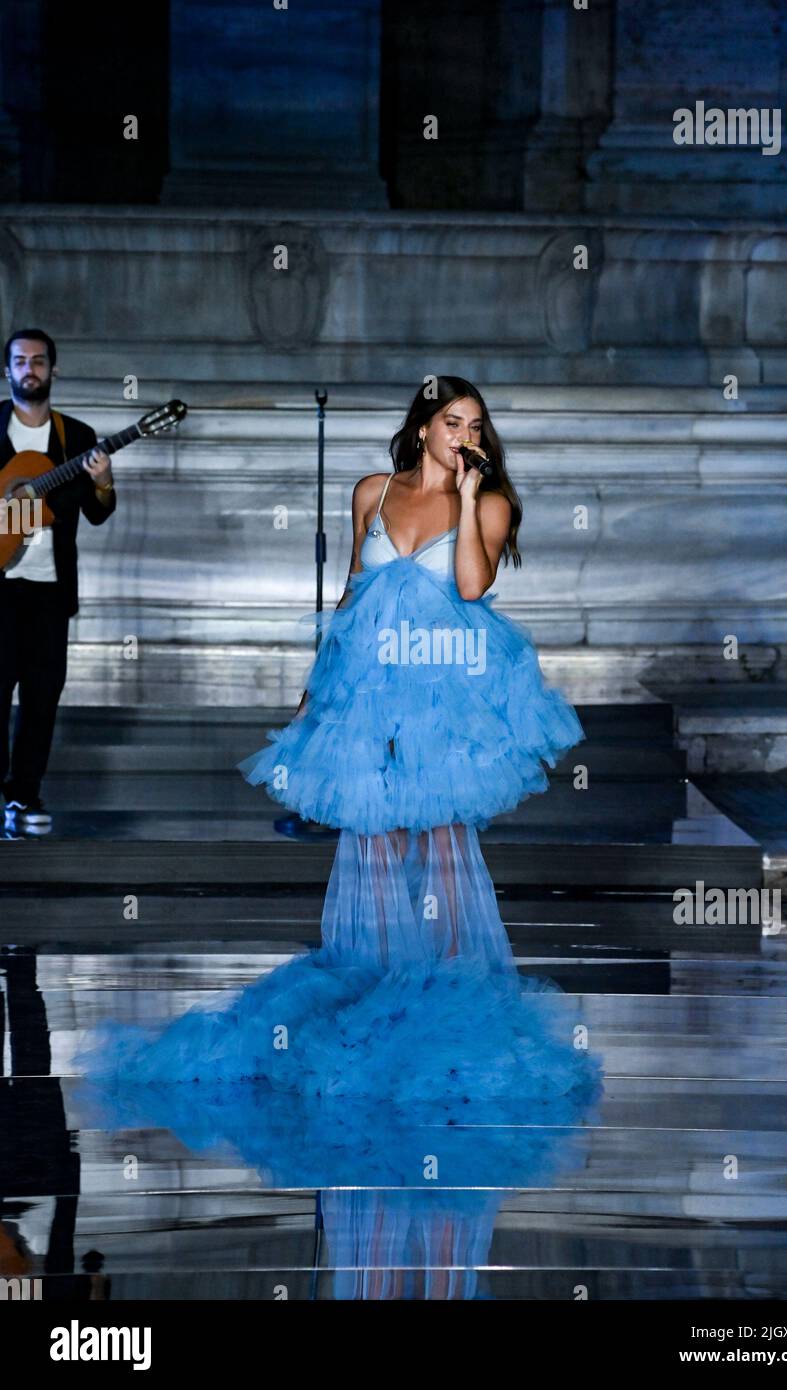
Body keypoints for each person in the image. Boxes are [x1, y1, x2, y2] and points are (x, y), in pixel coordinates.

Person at [76, 376, 601, 1111]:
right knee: (374, 839)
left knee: (447, 845)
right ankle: (376, 994)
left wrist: (472, 491)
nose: (465, 435)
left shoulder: (490, 502)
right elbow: (352, 596)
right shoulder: (373, 493)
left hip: (443, 695)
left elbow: (474, 589)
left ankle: (453, 1007)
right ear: (423, 428)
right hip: (369, 690)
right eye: (452, 422)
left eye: (476, 424)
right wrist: (316, 691)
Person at [0, 328, 116, 831]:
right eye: (20, 361)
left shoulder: (78, 438)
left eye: (39, 361)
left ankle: (23, 797)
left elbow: (97, 514)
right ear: (7, 371)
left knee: (42, 698)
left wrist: (103, 481)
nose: (30, 369)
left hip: (50, 592)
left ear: (54, 369)